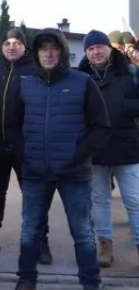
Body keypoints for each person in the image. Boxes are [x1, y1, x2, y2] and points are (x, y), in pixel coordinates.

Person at [8, 29, 108, 290]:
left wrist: (78, 156)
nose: (49, 53)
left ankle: (90, 283)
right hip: (35, 172)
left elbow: (101, 127)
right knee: (30, 230)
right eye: (43, 49)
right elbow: (11, 125)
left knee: (83, 232)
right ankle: (26, 279)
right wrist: (23, 155)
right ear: (37, 53)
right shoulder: (26, 83)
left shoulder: (83, 82)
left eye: (54, 48)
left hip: (74, 174)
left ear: (63, 52)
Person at [0, 28, 41, 256]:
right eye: (7, 43)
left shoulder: (37, 72)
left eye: (17, 42)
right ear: (1, 47)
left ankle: (40, 241)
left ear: (25, 46)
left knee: (33, 194)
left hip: (26, 147)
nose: (11, 47)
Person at [78, 29, 139, 268]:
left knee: (134, 201)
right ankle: (105, 244)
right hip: (96, 151)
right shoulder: (80, 77)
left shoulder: (130, 72)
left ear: (109, 48)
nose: (96, 52)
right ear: (86, 53)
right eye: (91, 49)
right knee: (100, 201)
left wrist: (124, 106)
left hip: (127, 149)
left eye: (99, 47)